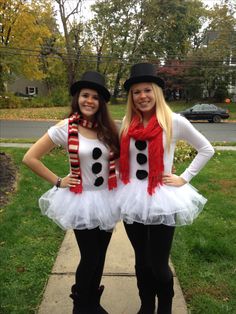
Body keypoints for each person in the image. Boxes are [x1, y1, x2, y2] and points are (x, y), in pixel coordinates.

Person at [117, 63, 215, 314]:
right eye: (136, 92)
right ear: (131, 97)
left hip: (161, 197)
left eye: (147, 90)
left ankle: (166, 307)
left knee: (158, 263)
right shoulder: (128, 123)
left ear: (157, 92)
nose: (142, 96)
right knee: (141, 261)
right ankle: (146, 306)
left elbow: (206, 149)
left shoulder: (174, 121)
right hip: (132, 196)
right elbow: (121, 160)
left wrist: (184, 178)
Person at [23, 71, 120, 314]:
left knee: (100, 256)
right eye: (85, 95)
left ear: (101, 103)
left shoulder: (107, 129)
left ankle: (93, 302)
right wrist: (58, 181)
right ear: (77, 98)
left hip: (107, 199)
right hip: (81, 200)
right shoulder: (67, 127)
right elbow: (30, 158)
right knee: (90, 256)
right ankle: (80, 305)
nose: (89, 101)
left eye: (95, 97)